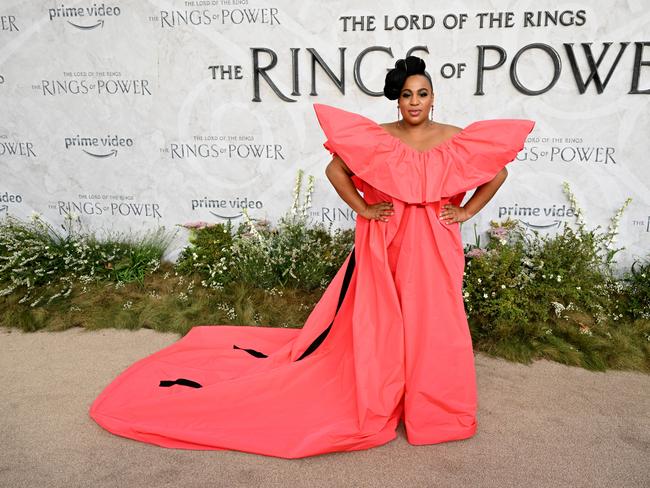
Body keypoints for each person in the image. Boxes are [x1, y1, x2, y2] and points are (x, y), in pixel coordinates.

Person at [88, 55, 535, 459]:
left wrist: (466, 211)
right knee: (382, 322)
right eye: (405, 95)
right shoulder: (378, 138)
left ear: (433, 98)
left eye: (421, 94)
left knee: (434, 323)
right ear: (396, 101)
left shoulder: (454, 139)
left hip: (436, 244)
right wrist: (362, 208)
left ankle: (434, 410)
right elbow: (335, 169)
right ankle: (383, 397)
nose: (414, 102)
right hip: (385, 241)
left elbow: (497, 171)